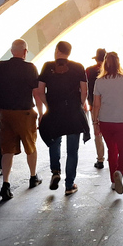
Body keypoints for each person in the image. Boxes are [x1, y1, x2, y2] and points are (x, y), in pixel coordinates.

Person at [0, 39, 43, 200]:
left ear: (12, 51)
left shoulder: (0, 67)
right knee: (30, 146)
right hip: (25, 113)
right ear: (25, 52)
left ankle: (5, 184)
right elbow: (36, 93)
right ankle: (33, 177)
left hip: (6, 113)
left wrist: (0, 109)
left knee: (7, 150)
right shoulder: (30, 68)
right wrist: (41, 113)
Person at [36, 41, 89, 196]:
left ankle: (55, 171)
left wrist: (48, 105)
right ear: (69, 52)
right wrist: (79, 104)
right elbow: (84, 91)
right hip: (73, 111)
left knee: (55, 142)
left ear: (57, 51)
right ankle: (69, 185)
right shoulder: (78, 67)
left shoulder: (47, 66)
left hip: (54, 112)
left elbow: (40, 91)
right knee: (72, 150)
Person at [91, 52, 123, 194]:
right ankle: (120, 172)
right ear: (118, 63)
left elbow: (96, 105)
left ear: (105, 63)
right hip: (122, 120)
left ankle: (113, 181)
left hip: (105, 121)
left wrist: (95, 123)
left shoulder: (99, 81)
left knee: (112, 150)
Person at [85, 48, 106, 169]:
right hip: (109, 106)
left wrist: (88, 103)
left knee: (98, 133)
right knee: (110, 131)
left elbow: (85, 88)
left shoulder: (89, 71)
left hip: (94, 106)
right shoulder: (110, 71)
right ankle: (113, 156)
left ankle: (100, 159)